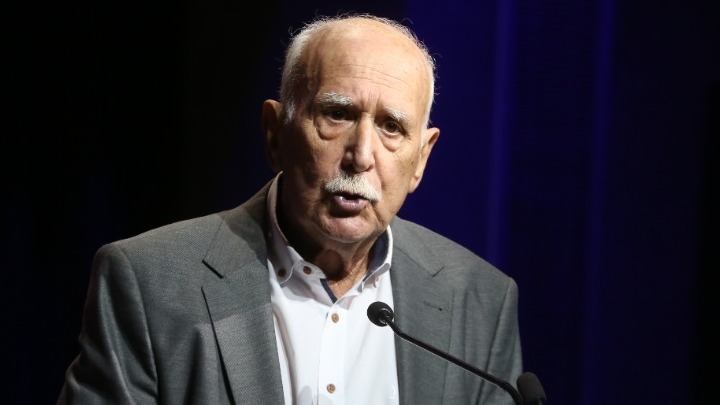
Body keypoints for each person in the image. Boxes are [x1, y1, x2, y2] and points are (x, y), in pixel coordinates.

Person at [58, 12, 523, 405]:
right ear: (275, 132)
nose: (361, 155)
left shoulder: (479, 301)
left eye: (391, 127)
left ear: (420, 159)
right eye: (337, 114)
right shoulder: (151, 282)